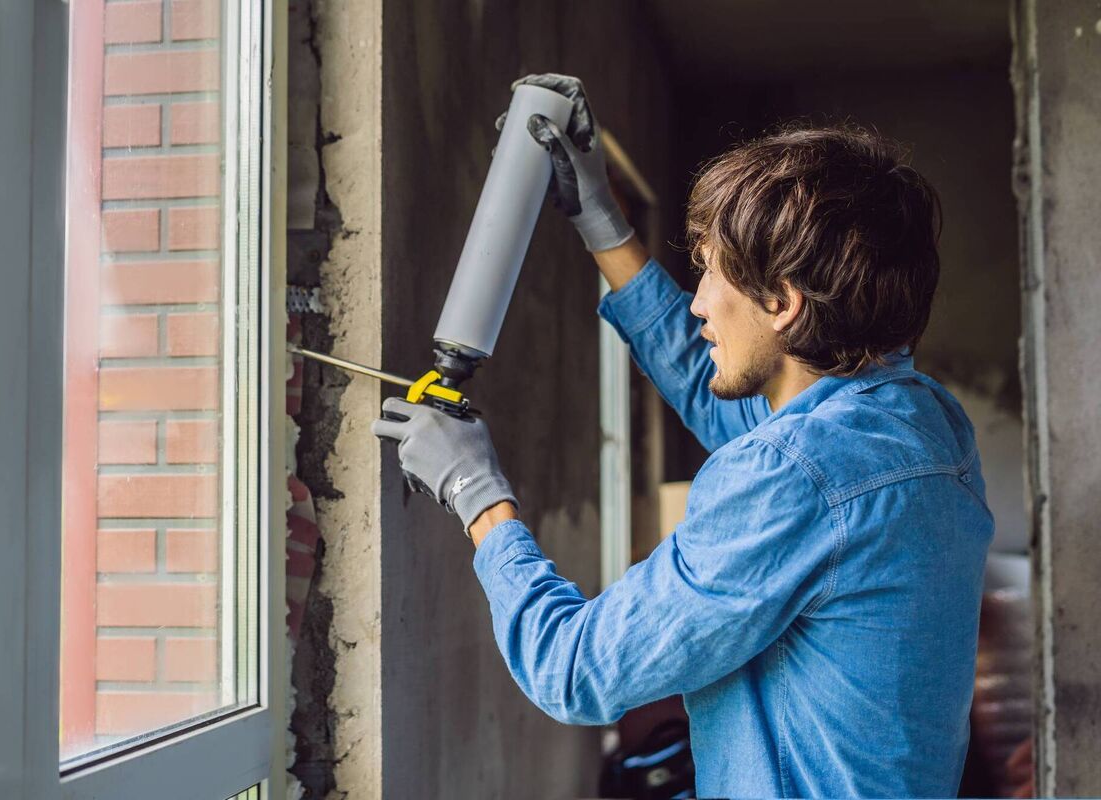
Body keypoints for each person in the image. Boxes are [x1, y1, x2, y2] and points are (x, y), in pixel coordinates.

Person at [372, 74, 994, 799]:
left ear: (784, 303)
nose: (696, 300)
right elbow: (717, 392)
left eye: (709, 275)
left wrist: (477, 496)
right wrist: (600, 217)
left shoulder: (795, 475)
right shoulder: (921, 421)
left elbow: (573, 670)